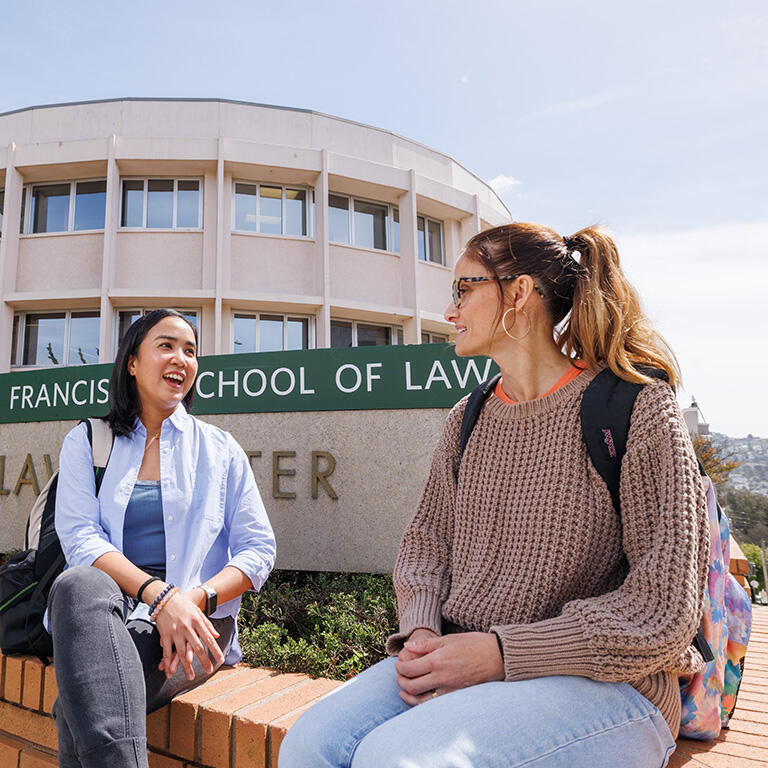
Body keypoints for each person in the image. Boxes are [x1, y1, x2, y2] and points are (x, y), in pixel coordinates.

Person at [278, 223, 709, 768]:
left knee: (394, 761)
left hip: (612, 683)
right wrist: (419, 631)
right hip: (462, 653)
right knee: (308, 746)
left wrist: (502, 654)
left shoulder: (638, 409)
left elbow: (663, 610)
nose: (450, 311)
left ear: (519, 294)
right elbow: (425, 547)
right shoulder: (468, 418)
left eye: (463, 289)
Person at [47, 309, 276, 768]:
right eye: (166, 345)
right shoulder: (87, 441)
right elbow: (80, 540)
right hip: (108, 612)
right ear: (132, 361)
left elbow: (258, 549)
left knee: (78, 702)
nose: (181, 359)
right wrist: (160, 598)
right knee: (76, 585)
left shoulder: (219, 448)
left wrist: (191, 601)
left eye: (191, 351)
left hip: (198, 622)